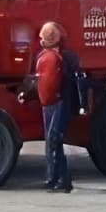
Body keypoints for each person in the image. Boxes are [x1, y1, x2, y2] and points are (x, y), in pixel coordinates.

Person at [33, 19, 86, 193]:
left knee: (54, 139)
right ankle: (54, 178)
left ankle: (61, 179)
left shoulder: (66, 57)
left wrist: (80, 104)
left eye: (46, 36)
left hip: (60, 102)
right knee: (51, 141)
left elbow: (77, 81)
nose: (42, 39)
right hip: (48, 102)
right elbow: (39, 79)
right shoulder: (43, 56)